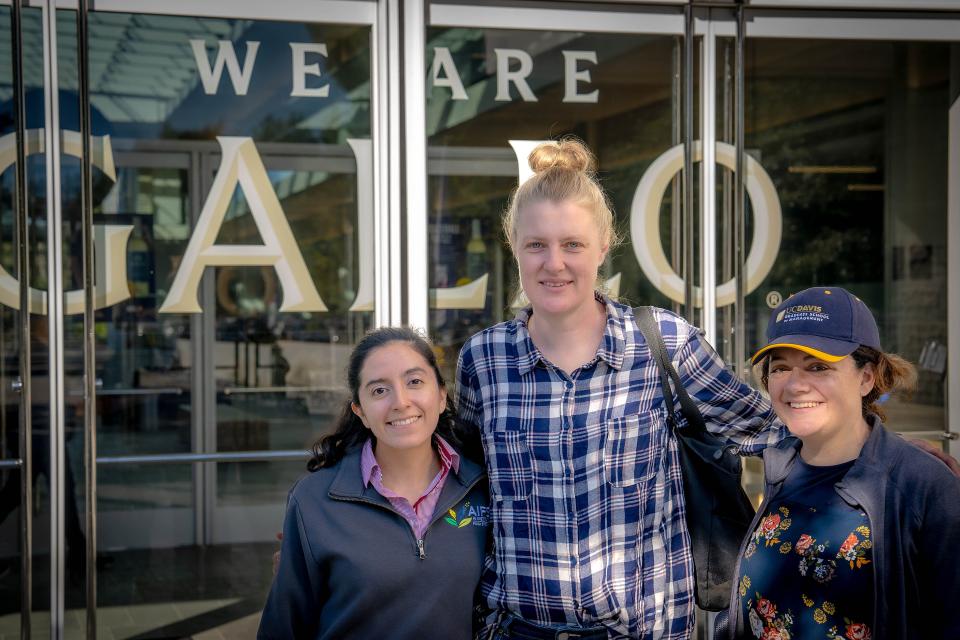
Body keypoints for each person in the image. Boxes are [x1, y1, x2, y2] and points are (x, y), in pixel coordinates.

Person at [455, 138, 788, 640]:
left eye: (573, 244)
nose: (554, 263)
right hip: (518, 630)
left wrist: (886, 469)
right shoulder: (483, 361)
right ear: (515, 248)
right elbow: (460, 484)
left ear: (603, 247)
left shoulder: (666, 346)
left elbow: (773, 433)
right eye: (536, 245)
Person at [728, 286, 960, 639]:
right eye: (780, 368)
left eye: (818, 367)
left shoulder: (924, 485)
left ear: (866, 378)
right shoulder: (779, 467)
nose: (795, 385)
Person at [258, 327, 489, 640]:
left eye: (415, 382)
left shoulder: (483, 486)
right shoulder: (314, 499)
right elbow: (283, 627)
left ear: (440, 396)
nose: (401, 401)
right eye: (379, 390)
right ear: (360, 411)